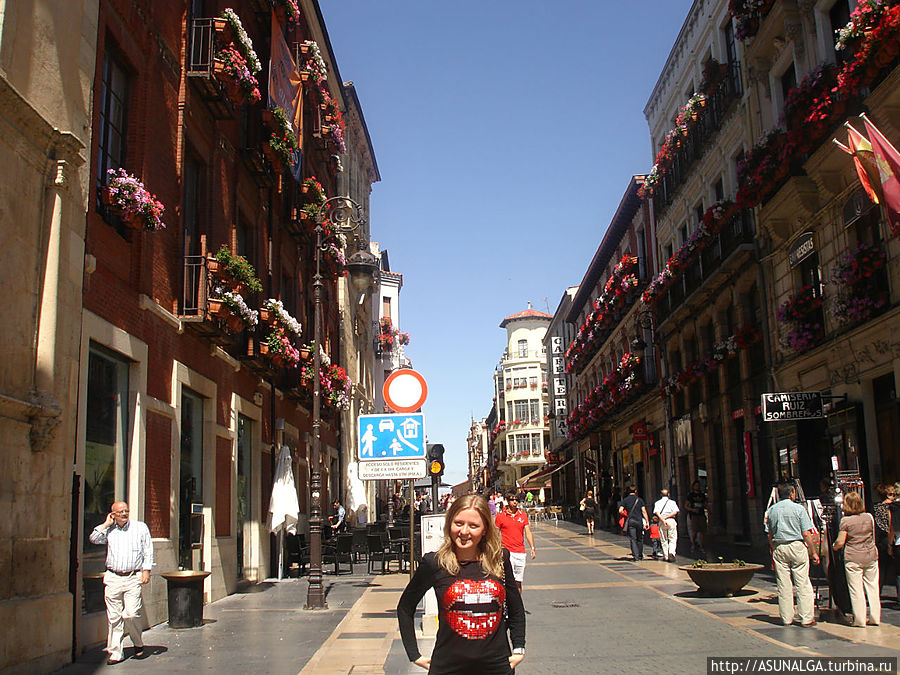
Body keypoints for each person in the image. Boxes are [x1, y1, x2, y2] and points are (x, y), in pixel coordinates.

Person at [397, 495, 526, 674]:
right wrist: (414, 654)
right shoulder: (435, 562)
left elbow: (515, 606)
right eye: (458, 523)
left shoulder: (499, 559)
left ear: (485, 529)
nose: (464, 531)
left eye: (473, 526)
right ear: (449, 524)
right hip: (448, 667)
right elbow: (405, 607)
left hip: (496, 667)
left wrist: (519, 647)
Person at [88, 501, 153, 665]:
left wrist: (146, 570)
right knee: (114, 617)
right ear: (113, 514)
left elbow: (148, 550)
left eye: (126, 510)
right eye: (120, 512)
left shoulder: (140, 528)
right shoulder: (109, 530)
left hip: (132, 577)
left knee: (130, 614)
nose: (124, 513)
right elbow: (93, 539)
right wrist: (105, 523)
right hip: (113, 577)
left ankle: (137, 642)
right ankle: (116, 652)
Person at [764, 482, 820, 626]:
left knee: (783, 584)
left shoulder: (772, 510)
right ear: (792, 493)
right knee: (802, 582)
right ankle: (806, 617)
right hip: (796, 545)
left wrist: (773, 549)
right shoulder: (799, 509)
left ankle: (786, 618)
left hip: (779, 546)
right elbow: (806, 533)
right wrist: (813, 552)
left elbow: (769, 534)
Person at [833, 491, 881, 627]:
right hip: (870, 555)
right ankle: (875, 617)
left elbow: (840, 542)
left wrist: (834, 546)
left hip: (853, 557)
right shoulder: (869, 517)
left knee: (856, 589)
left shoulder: (846, 521)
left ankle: (860, 619)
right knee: (872, 587)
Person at [495, 493, 536, 591]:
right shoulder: (500, 516)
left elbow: (528, 532)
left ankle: (517, 604)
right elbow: (496, 534)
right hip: (506, 552)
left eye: (516, 500)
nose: (514, 502)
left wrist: (532, 548)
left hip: (520, 552)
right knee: (505, 580)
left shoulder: (523, 515)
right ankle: (505, 604)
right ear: (507, 501)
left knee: (518, 581)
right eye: (512, 500)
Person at [618, 486, 650, 561]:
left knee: (633, 539)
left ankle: (635, 556)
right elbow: (644, 511)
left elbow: (620, 510)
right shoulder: (639, 500)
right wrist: (647, 522)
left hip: (631, 521)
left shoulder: (625, 500)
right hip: (639, 521)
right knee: (640, 538)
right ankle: (640, 555)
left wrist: (626, 515)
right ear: (635, 491)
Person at [872, 483, 894, 595]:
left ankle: (877, 592)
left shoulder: (877, 508)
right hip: (891, 538)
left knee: (881, 569)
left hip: (882, 540)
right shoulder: (894, 507)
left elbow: (879, 526)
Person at [653, 487, 680, 562]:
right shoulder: (672, 502)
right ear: (668, 494)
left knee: (664, 539)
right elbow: (675, 512)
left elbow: (657, 512)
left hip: (662, 522)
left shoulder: (657, 503)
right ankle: (671, 552)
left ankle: (666, 555)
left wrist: (663, 519)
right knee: (672, 538)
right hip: (671, 520)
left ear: (661, 495)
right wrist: (667, 517)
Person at [684, 480, 708, 555]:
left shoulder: (702, 495)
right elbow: (686, 506)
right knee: (694, 530)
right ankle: (693, 543)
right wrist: (692, 510)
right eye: (696, 485)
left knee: (702, 531)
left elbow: (705, 504)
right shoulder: (691, 495)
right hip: (694, 515)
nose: (697, 487)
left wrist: (709, 510)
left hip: (701, 514)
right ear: (693, 487)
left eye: (698, 485)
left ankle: (700, 545)